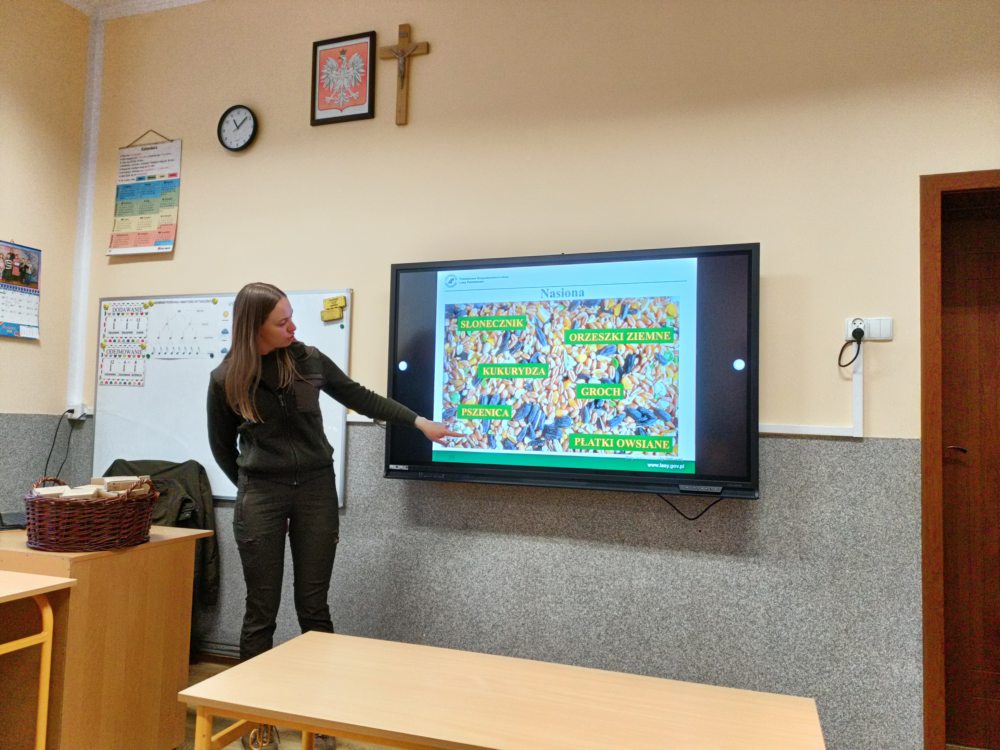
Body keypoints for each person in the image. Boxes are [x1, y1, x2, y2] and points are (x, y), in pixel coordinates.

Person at [207, 282, 459, 750]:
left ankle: (320, 714)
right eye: (282, 322)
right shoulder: (226, 379)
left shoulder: (309, 360)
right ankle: (254, 720)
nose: (293, 327)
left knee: (313, 605)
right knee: (261, 611)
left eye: (291, 317)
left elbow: (359, 396)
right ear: (254, 328)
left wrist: (419, 423)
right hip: (261, 495)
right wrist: (253, 485)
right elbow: (222, 448)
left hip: (315, 490)